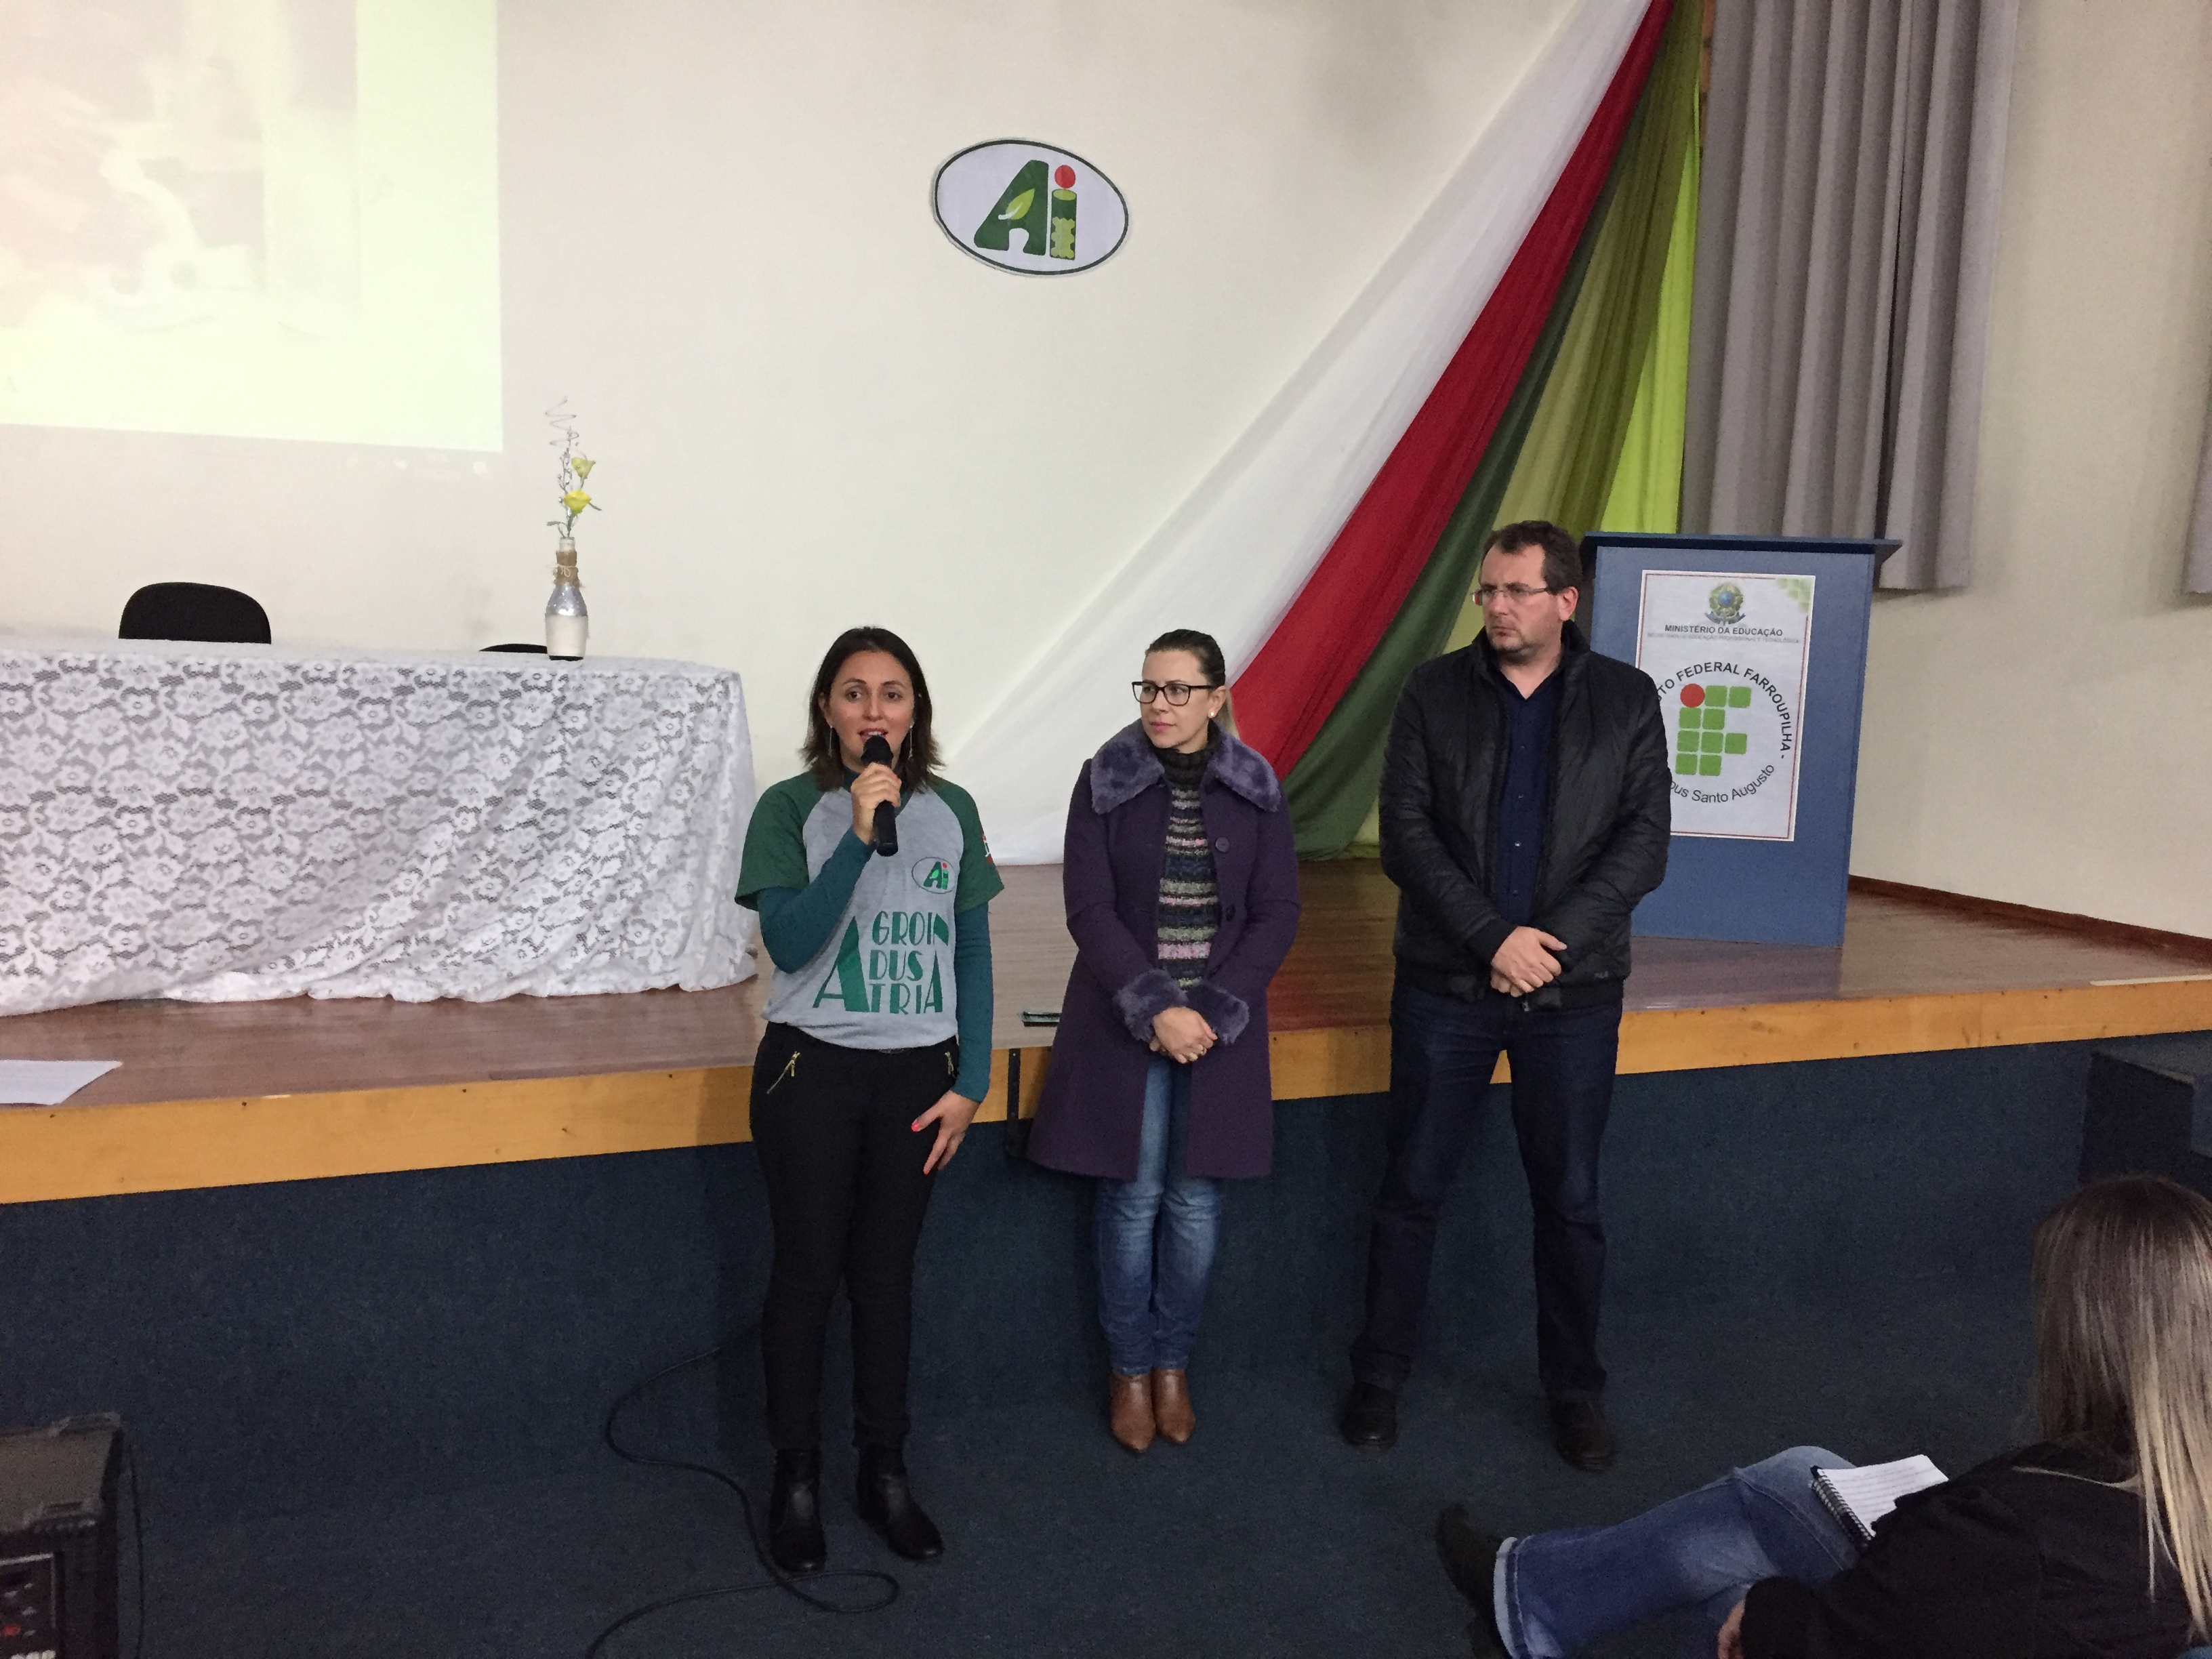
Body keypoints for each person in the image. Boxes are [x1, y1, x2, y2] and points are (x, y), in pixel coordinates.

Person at [1433, 1173, 2212, 1659]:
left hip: (1961, 1611)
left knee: (1731, 1598)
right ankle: (1528, 1601)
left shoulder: (2021, 1534)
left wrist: (1766, 1618)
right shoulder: (2162, 1488)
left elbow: (1862, 1637)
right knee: (1796, 1476)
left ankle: (1529, 1604)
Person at [1343, 520, 1669, 1471]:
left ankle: (1574, 1391)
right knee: (1410, 1189)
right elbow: (1406, 833)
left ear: (1566, 600)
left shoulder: (1627, 699)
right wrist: (1492, 938)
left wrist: (1547, 949)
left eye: (1517, 591)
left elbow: (1644, 843)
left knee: (1570, 1201)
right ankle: (1380, 1376)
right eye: (1487, 591)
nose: (1496, 607)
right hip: (1446, 985)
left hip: (1574, 995)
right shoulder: (1432, 690)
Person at [735, 626, 1002, 1574]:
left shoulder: (951, 809)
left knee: (887, 1280)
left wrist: (972, 1081)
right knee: (809, 1275)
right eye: (854, 693)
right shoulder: (789, 808)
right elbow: (792, 942)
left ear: (915, 710)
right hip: (812, 1072)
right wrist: (855, 837)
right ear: (827, 709)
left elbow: (971, 951)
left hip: (917, 1080)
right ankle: (796, 1475)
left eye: (893, 693)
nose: (874, 710)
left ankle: (883, 1469)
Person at [1026, 629, 1302, 1453]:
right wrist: (1156, 1009)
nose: (1159, 704)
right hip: (1126, 1023)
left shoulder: (1257, 786)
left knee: (1194, 1202)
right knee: (1133, 1197)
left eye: (1178, 690)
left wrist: (1209, 1011)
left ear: (1216, 698)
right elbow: (1089, 910)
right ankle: (1129, 1369)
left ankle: (1173, 1363)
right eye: (1148, 688)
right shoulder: (1102, 780)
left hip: (1218, 1030)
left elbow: (1278, 912)